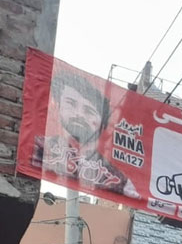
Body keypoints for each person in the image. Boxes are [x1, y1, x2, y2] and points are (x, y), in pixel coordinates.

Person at [31, 71, 139, 199]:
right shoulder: (38, 146)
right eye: (71, 104)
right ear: (58, 107)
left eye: (89, 111)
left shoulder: (118, 177)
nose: (79, 114)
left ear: (102, 124)